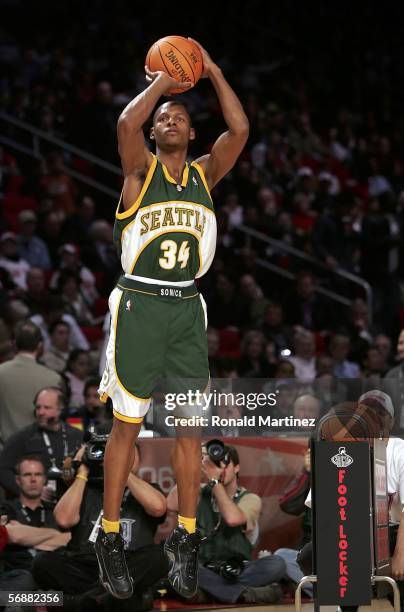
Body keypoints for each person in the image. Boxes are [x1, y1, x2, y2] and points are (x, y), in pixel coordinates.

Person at [96, 38, 249, 600]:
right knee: (127, 426)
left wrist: (208, 69)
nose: (173, 121)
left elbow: (239, 132)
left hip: (186, 306)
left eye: (182, 117)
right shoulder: (138, 173)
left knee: (189, 429)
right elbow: (126, 123)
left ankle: (185, 536)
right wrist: (165, 78)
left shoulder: (206, 175)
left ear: (190, 133)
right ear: (156, 133)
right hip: (139, 303)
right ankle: (109, 534)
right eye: (165, 119)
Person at [32, 443, 168, 612]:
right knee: (42, 563)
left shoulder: (149, 489)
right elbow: (63, 519)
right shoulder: (85, 489)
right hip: (86, 565)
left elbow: (158, 508)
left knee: (158, 557)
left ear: (138, 461)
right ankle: (109, 599)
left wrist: (121, 471)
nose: (117, 457)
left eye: (126, 454)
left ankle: (87, 601)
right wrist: (82, 473)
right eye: (112, 454)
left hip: (126, 566)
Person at [167, 443, 285, 604]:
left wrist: (215, 481)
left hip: (236, 570)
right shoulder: (201, 491)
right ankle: (244, 594)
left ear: (236, 468)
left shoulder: (250, 498)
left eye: (224, 464)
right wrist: (192, 467)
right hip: (202, 567)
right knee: (175, 562)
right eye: (214, 464)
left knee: (277, 564)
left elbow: (233, 519)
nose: (219, 469)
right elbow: (171, 505)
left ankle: (210, 593)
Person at [1, 455, 70, 593]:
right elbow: (13, 535)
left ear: (45, 479)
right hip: (18, 580)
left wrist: (27, 536)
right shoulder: (6, 509)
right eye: (27, 475)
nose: (33, 480)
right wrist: (54, 535)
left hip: (52, 579)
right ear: (18, 480)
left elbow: (69, 540)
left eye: (38, 474)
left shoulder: (57, 511)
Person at [0, 386, 82, 499]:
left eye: (47, 408)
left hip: (70, 501)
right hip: (34, 505)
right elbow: (3, 469)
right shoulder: (22, 437)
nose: (41, 412)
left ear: (60, 409)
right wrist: (27, 491)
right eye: (38, 407)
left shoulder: (77, 436)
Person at [0, 320, 63, 449]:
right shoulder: (53, 378)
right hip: (42, 453)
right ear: (40, 345)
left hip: (4, 451)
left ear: (13, 343)